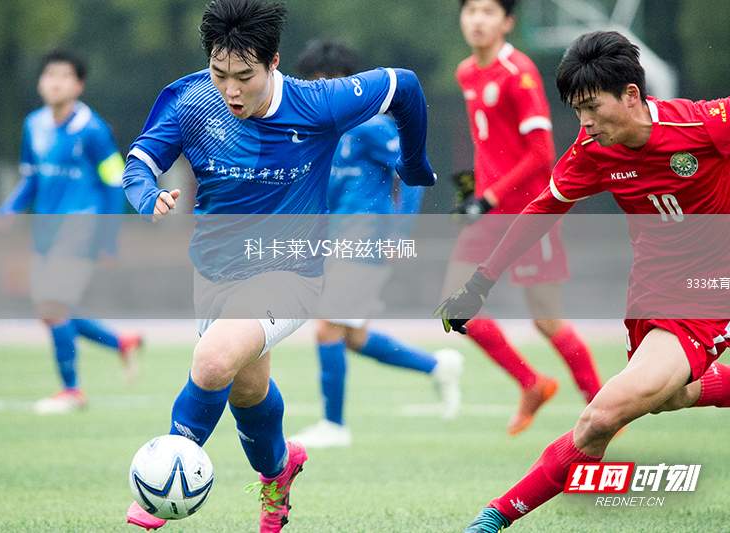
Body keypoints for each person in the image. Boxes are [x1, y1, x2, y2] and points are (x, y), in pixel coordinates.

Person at [120, 1, 436, 531]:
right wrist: (146, 193)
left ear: (273, 63)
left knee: (212, 360)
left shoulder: (318, 103)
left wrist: (414, 161)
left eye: (244, 77)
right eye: (219, 74)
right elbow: (139, 162)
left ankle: (164, 481)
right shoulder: (190, 98)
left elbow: (404, 85)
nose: (230, 90)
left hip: (290, 272)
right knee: (248, 391)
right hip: (214, 272)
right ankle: (278, 472)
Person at [435, 30, 730, 532]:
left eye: (592, 107)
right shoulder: (593, 151)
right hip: (655, 293)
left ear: (631, 95)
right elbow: (541, 210)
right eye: (576, 110)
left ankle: (491, 519)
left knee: (600, 417)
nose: (585, 122)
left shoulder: (704, 124)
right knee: (670, 396)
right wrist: (481, 282)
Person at [287, 40, 463, 449]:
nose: (318, 92)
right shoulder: (322, 132)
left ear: (346, 83)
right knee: (351, 336)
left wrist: (399, 233)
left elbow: (414, 174)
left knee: (327, 326)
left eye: (325, 82)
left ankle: (334, 425)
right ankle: (437, 366)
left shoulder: (370, 125)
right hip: (335, 244)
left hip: (366, 240)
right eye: (312, 83)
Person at [443, 0, 602, 436]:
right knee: (456, 307)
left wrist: (489, 197)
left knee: (546, 319)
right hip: (488, 210)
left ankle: (602, 406)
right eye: (471, 11)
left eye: (488, 11)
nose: (478, 20)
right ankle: (532, 384)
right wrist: (472, 193)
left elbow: (541, 155)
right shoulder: (466, 71)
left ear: (507, 21)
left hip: (531, 213)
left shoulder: (519, 73)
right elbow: (488, 144)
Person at [0, 50, 142, 415]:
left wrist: (108, 238)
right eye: (49, 75)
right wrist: (11, 207)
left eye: (64, 76)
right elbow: (31, 178)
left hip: (82, 226)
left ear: (79, 85)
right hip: (47, 228)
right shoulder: (33, 125)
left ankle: (72, 390)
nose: (55, 83)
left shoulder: (93, 130)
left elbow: (114, 182)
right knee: (51, 311)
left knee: (53, 305)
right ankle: (120, 343)